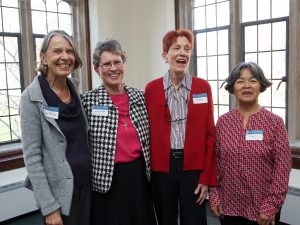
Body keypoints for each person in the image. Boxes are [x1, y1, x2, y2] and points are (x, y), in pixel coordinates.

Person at [145, 28, 216, 225]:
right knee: (165, 219)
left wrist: (206, 177)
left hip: (193, 168)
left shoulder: (203, 88)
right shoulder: (151, 89)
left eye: (187, 48)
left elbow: (211, 135)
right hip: (161, 168)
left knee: (194, 220)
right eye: (176, 48)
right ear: (165, 55)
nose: (183, 52)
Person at [81, 39, 156, 225]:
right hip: (108, 179)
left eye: (117, 62)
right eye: (106, 64)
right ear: (97, 69)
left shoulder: (140, 96)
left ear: (124, 64)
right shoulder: (88, 101)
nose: (113, 68)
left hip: (139, 175)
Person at [19, 30, 91, 225]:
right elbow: (32, 158)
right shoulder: (31, 98)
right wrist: (49, 207)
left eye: (70, 51)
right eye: (57, 51)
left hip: (88, 187)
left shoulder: (74, 89)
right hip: (61, 196)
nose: (65, 57)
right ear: (44, 57)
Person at [209, 62, 292, 225]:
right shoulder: (223, 122)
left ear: (260, 85)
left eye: (253, 80)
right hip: (229, 207)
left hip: (263, 210)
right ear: (232, 87)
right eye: (240, 81)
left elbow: (282, 168)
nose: (246, 85)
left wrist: (271, 206)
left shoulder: (274, 123)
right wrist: (214, 195)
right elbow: (215, 163)